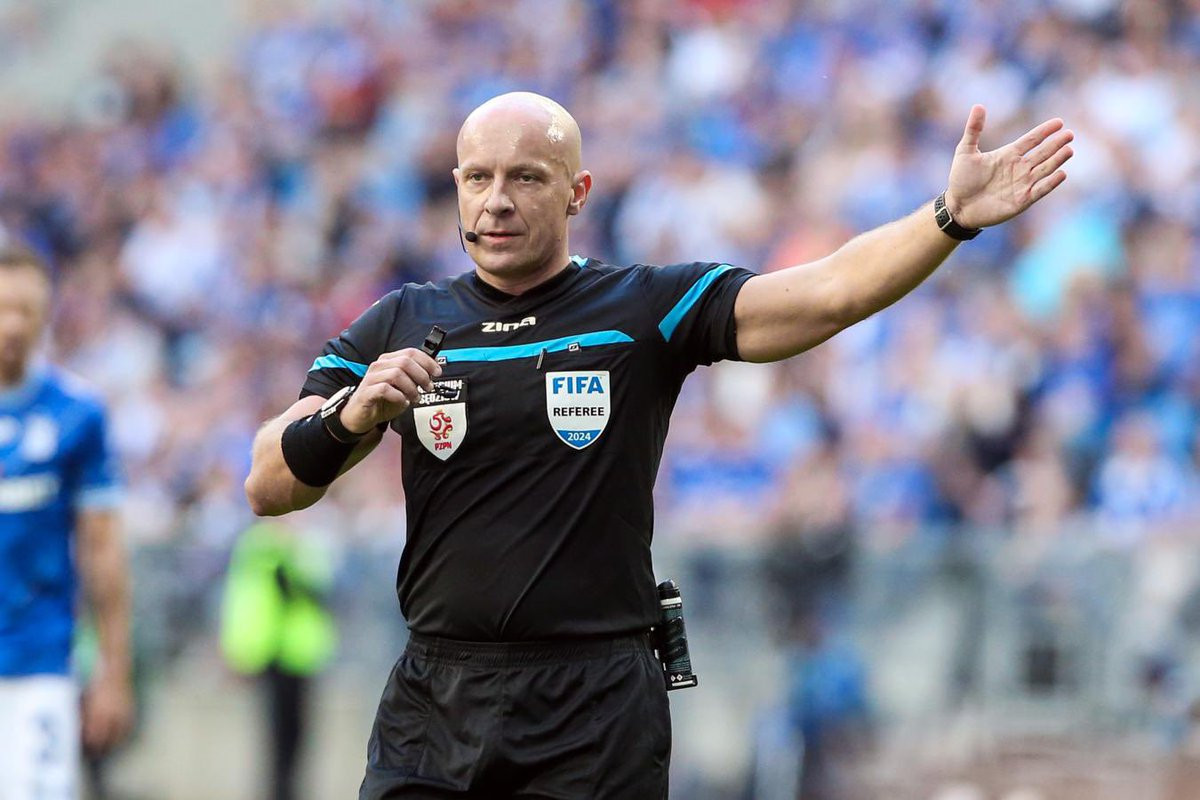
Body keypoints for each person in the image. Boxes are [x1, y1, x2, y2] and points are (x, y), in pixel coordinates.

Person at [244, 92, 1073, 799]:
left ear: (577, 192)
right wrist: (350, 417)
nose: (496, 200)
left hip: (591, 705)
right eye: (478, 178)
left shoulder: (640, 308)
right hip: (435, 696)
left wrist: (948, 217)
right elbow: (268, 482)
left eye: (525, 177)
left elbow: (829, 292)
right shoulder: (402, 320)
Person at [0, 245, 134, 799]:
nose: (13, 325)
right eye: (3, 308)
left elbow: (102, 551)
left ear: (46, 314)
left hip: (40, 662)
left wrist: (113, 671)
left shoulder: (78, 413)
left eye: (26, 310)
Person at [220, 518, 338, 800]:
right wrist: (239, 651)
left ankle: (287, 791)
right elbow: (245, 600)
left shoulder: (301, 545)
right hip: (272, 653)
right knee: (278, 735)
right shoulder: (260, 546)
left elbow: (322, 589)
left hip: (299, 653)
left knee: (296, 734)